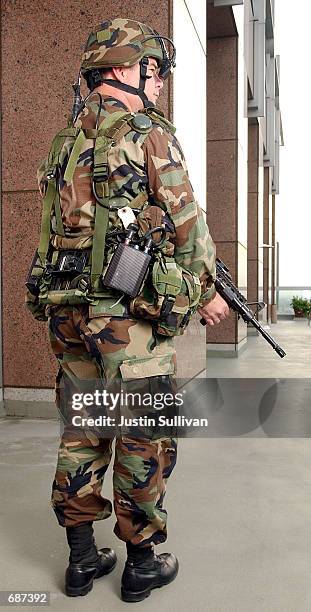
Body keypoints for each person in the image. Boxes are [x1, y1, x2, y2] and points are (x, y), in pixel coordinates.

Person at [31, 18, 229, 602]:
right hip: (128, 319)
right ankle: (142, 562)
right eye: (153, 69)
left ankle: (82, 559)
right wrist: (207, 291)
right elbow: (187, 223)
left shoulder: (63, 141)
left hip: (67, 310)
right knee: (143, 434)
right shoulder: (148, 133)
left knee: (82, 430)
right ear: (123, 68)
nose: (160, 81)